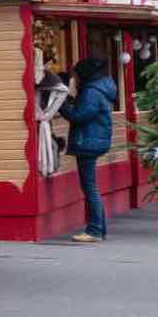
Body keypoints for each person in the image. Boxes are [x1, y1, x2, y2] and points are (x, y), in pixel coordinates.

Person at [60, 57, 118, 243]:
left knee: (90, 188)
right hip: (93, 140)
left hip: (88, 142)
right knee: (92, 187)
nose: (75, 80)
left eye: (76, 75)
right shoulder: (100, 88)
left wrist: (60, 103)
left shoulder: (92, 92)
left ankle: (94, 230)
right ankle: (99, 229)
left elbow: (78, 116)